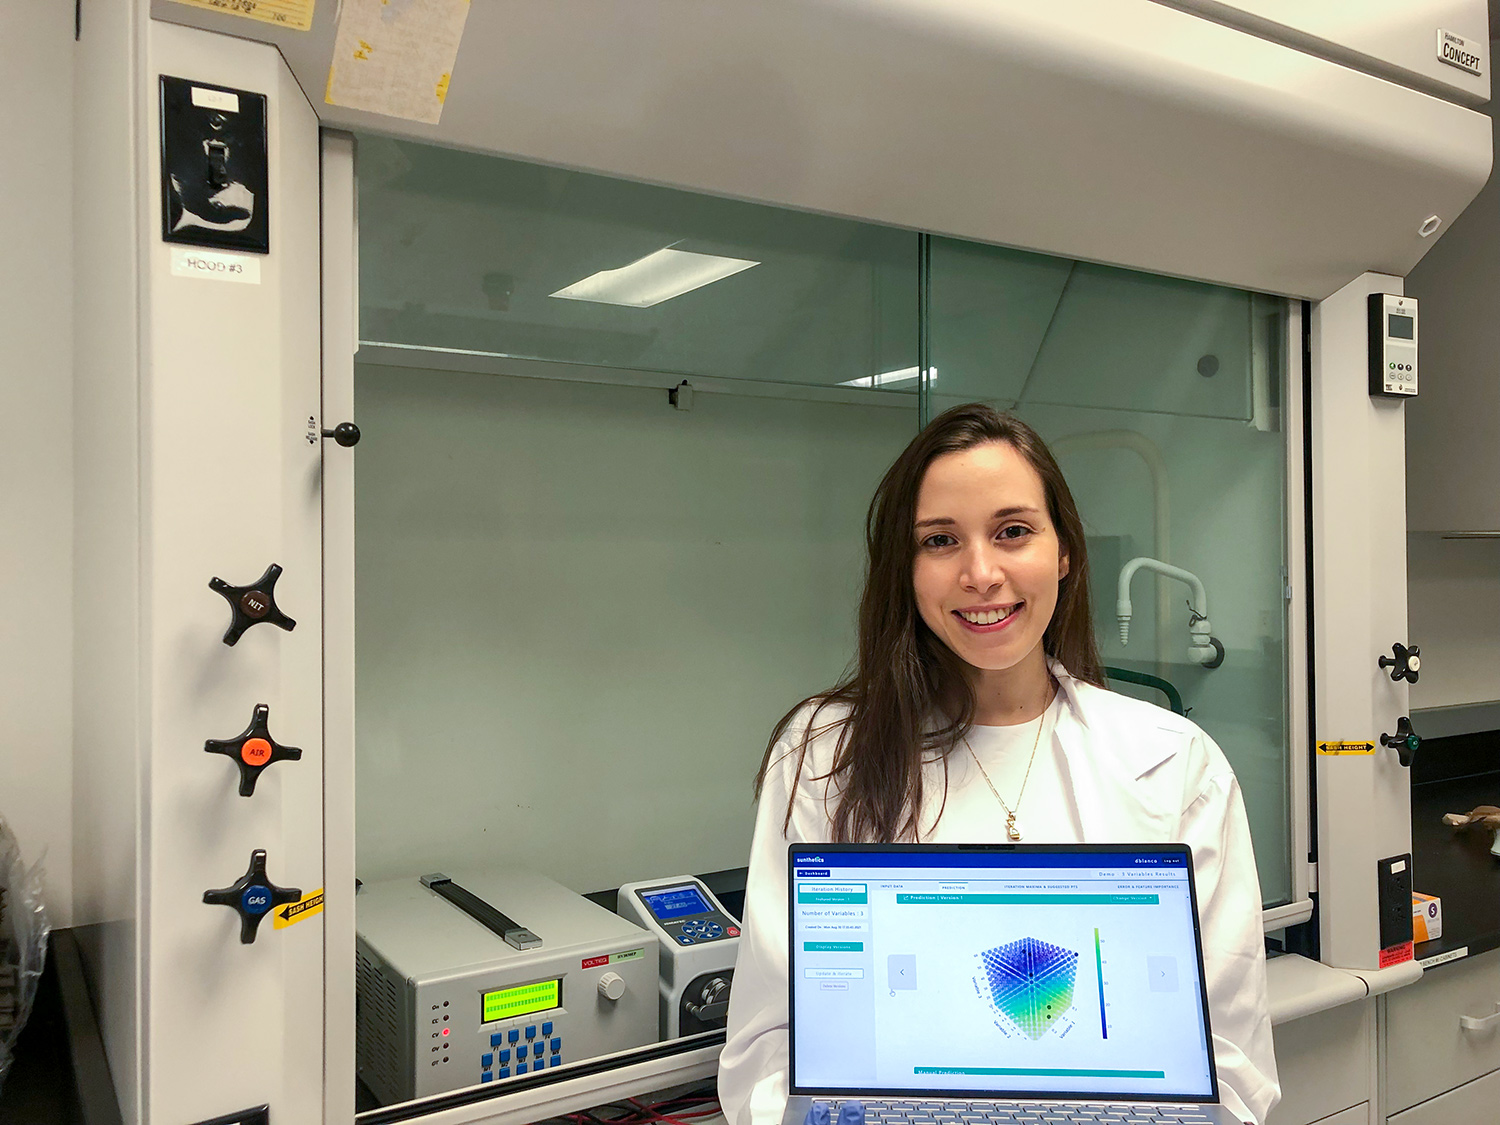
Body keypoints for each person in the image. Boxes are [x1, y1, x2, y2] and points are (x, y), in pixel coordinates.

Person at [718, 403, 1278, 1125]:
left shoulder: (1172, 763)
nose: (981, 573)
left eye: (1012, 531)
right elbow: (768, 1049)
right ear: (906, 570)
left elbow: (1230, 1065)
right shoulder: (825, 753)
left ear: (1065, 551)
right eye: (940, 540)